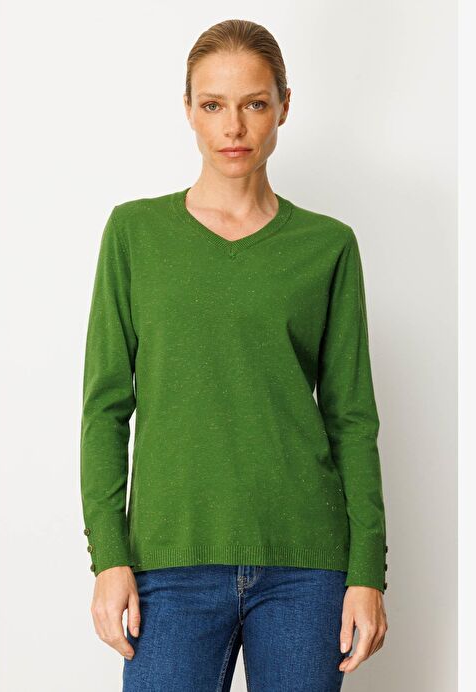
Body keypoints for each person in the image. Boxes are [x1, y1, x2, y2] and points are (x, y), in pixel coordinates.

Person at [80, 18, 389, 692]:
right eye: (213, 104)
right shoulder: (134, 233)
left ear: (283, 106)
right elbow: (105, 408)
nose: (234, 127)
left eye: (254, 103)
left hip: (306, 567)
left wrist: (368, 571)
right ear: (188, 109)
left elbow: (351, 419)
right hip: (168, 564)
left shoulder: (327, 246)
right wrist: (108, 557)